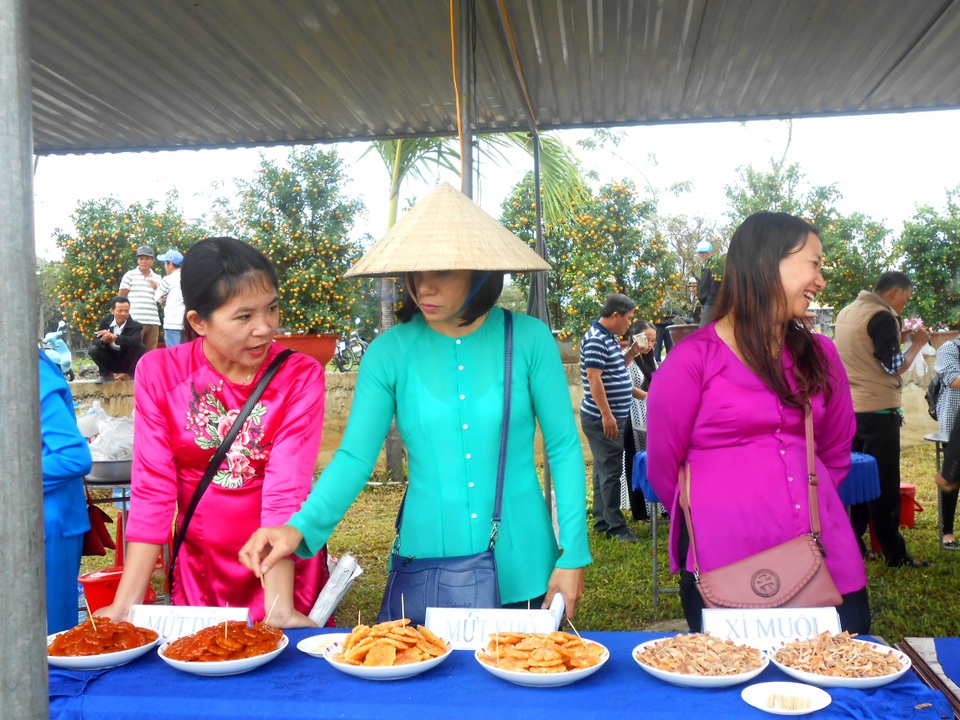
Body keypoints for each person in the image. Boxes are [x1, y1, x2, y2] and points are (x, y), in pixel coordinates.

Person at [239, 182, 592, 620]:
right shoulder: (389, 352)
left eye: (441, 272)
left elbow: (563, 446)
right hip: (425, 566)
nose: (423, 286)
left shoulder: (529, 339)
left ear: (480, 271)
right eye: (414, 273)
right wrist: (298, 528)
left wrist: (573, 553)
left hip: (524, 564)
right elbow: (353, 458)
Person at [647, 211, 870, 634]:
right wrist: (727, 509)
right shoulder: (693, 359)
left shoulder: (820, 355)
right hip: (725, 561)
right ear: (768, 263)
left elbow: (837, 451)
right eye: (815, 264)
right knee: (731, 683)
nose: (821, 280)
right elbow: (664, 470)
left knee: (841, 673)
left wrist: (799, 507)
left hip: (823, 551)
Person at [97, 237, 330, 628]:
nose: (265, 329)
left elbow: (286, 484)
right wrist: (125, 605)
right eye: (244, 317)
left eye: (271, 308)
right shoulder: (159, 374)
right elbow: (153, 489)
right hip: (203, 568)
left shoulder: (300, 375)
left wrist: (279, 608)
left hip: (282, 570)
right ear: (198, 322)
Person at [834, 271, 931, 569]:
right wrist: (917, 344)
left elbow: (866, 349)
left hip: (851, 410)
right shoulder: (881, 316)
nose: (904, 304)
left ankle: (854, 546)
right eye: (905, 298)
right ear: (893, 293)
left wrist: (897, 336)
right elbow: (893, 366)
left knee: (857, 482)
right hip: (879, 411)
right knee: (884, 484)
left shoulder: (849, 311)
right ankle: (895, 555)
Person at [580, 293, 645, 544]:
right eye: (628, 319)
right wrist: (607, 415)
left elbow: (617, 369)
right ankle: (616, 528)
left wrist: (632, 352)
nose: (630, 324)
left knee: (602, 471)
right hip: (603, 418)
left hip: (611, 415)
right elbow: (594, 379)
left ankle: (602, 522)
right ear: (615, 315)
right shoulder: (597, 339)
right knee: (611, 471)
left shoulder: (607, 338)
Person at [39, 349, 92, 633]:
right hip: (39, 523)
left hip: (47, 526)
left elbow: (73, 457)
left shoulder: (32, 372)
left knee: (50, 639)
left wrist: (12, 478)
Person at [622, 319, 658, 522]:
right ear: (635, 338)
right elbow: (626, 385)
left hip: (649, 417)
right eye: (647, 340)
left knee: (649, 460)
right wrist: (648, 396)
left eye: (653, 341)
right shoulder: (626, 359)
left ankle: (654, 504)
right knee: (635, 461)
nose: (650, 345)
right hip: (631, 416)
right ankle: (639, 510)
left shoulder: (652, 360)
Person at [933, 336, 960, 548]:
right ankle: (947, 533)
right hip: (953, 426)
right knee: (951, 477)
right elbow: (954, 380)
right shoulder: (949, 349)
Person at [88, 296, 145, 382]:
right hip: (110, 359)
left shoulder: (136, 325)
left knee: (140, 347)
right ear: (112, 311)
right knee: (94, 349)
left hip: (127, 360)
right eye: (120, 311)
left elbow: (136, 341)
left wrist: (116, 338)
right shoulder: (105, 321)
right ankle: (106, 375)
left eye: (126, 311)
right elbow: (95, 341)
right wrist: (103, 340)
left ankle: (133, 375)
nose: (123, 314)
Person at [119, 244, 162, 352]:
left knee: (150, 354)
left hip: (153, 321)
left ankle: (147, 370)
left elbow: (162, 300)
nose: (144, 261)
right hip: (134, 320)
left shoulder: (157, 278)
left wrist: (156, 287)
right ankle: (132, 370)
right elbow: (121, 298)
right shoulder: (129, 275)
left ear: (152, 261)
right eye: (141, 258)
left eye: (147, 258)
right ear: (137, 260)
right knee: (132, 351)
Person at [155, 248, 185, 347]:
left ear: (171, 264)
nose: (165, 267)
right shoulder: (188, 277)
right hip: (186, 323)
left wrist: (163, 298)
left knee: (173, 355)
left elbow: (157, 297)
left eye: (165, 263)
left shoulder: (168, 279)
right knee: (185, 354)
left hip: (172, 322)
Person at [696, 241, 721, 326]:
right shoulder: (706, 265)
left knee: (703, 330)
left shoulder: (714, 266)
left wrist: (710, 300)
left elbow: (716, 285)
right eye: (700, 252)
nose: (701, 254)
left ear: (711, 252)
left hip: (711, 304)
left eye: (704, 252)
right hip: (707, 303)